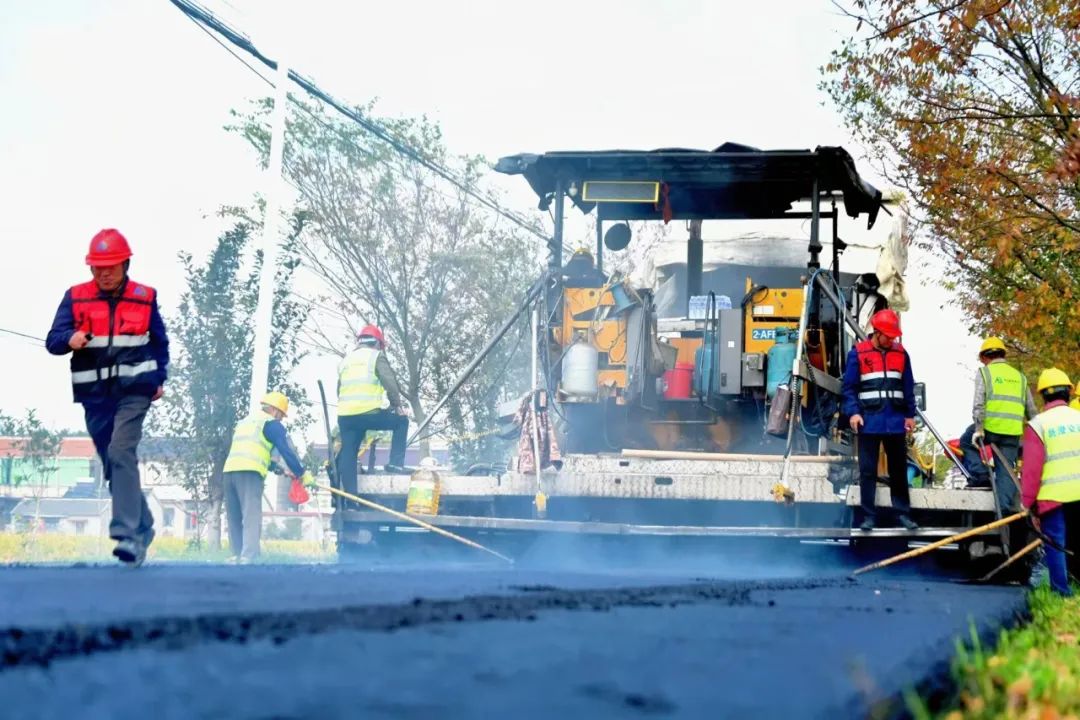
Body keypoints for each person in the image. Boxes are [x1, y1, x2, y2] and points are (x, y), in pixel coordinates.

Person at [45, 229, 169, 566]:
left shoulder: (145, 297)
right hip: (96, 397)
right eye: (98, 268)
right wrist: (69, 338)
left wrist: (159, 378)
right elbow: (53, 340)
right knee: (114, 465)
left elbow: (160, 342)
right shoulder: (75, 297)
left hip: (134, 392)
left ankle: (127, 534)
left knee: (120, 451)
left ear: (125, 264)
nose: (104, 274)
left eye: (110, 267)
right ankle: (143, 527)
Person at [842, 308, 919, 532]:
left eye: (894, 336)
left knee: (898, 470)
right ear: (877, 332)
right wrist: (854, 413)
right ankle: (868, 517)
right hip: (869, 421)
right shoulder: (858, 353)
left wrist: (910, 415)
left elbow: (908, 386)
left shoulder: (901, 353)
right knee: (867, 471)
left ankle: (903, 514)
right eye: (889, 336)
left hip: (895, 421)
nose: (892, 340)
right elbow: (849, 388)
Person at [221, 391, 313, 563]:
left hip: (229, 471)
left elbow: (253, 451)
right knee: (251, 515)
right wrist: (302, 473)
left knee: (234, 516)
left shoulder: (245, 422)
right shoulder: (271, 424)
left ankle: (237, 555)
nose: (281, 419)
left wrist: (280, 470)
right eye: (282, 415)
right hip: (249, 473)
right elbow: (286, 450)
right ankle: (249, 556)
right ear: (275, 410)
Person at [958, 338, 1038, 514]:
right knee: (1006, 471)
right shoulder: (1020, 377)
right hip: (1012, 431)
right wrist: (1039, 434)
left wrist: (979, 429)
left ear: (984, 357)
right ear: (1003, 355)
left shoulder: (985, 373)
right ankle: (1003, 511)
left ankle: (981, 475)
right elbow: (1031, 410)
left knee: (965, 441)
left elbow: (979, 404)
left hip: (990, 428)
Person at [1021, 368, 1080, 596]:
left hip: (1053, 497)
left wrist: (1027, 503)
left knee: (1056, 544)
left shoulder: (1038, 424)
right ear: (1069, 392)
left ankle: (1062, 592)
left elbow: (1031, 469)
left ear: (1043, 395)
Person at [335, 325, 409, 495]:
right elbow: (390, 383)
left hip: (346, 416)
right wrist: (397, 406)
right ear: (377, 343)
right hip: (368, 414)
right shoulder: (376, 356)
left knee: (349, 453)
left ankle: (351, 498)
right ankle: (395, 464)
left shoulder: (345, 361)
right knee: (401, 422)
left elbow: (339, 390)